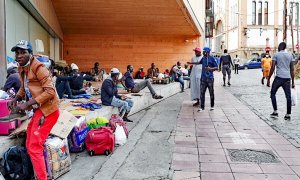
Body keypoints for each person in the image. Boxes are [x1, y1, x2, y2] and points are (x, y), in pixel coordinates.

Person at [7, 40, 60, 180]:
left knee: (34, 147)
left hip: (48, 111)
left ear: (30, 54)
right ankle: (39, 173)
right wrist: (17, 98)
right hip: (39, 110)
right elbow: (24, 87)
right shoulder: (22, 68)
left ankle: (42, 178)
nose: (19, 55)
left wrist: (26, 104)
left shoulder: (39, 68)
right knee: (30, 143)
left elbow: (50, 91)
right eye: (17, 53)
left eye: (23, 52)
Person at [267, 42, 295, 120]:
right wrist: (293, 82)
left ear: (280, 47)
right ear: (285, 47)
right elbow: (292, 69)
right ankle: (288, 114)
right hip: (287, 79)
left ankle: (275, 111)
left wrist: (268, 79)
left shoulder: (276, 55)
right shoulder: (290, 55)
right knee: (288, 96)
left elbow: (272, 68)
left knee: (272, 93)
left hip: (279, 78)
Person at [198, 47, 218, 112]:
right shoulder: (203, 58)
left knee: (211, 92)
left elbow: (216, 67)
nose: (203, 52)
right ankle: (202, 107)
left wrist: (210, 69)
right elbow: (198, 62)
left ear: (207, 52)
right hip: (203, 78)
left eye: (204, 51)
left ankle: (212, 106)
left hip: (210, 79)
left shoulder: (212, 58)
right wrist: (191, 63)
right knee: (202, 93)